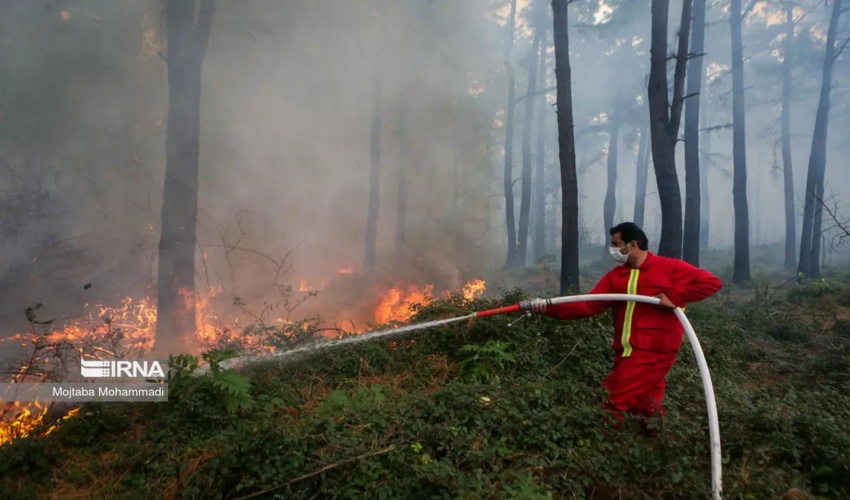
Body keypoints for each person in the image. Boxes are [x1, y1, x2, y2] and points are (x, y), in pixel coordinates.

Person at [523, 222, 722, 435]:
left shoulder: (670, 268)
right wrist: (547, 307)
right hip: (626, 351)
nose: (613, 250)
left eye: (616, 244)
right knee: (647, 407)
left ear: (632, 244)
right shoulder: (617, 276)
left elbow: (711, 282)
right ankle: (654, 448)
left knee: (612, 402)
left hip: (652, 352)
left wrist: (675, 297)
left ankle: (595, 449)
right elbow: (588, 304)